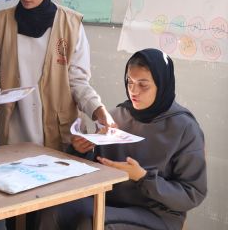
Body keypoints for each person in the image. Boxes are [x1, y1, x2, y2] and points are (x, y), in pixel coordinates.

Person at [38, 49, 207, 230]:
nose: (133, 91)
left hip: (157, 214)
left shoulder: (185, 128)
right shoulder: (116, 116)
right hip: (107, 201)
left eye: (143, 85)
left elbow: (192, 194)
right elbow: (95, 169)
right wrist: (82, 151)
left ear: (162, 84)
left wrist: (143, 178)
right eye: (129, 82)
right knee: (51, 210)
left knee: (91, 223)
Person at [0, 0, 113, 150]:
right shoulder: (1, 23)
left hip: (57, 136)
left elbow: (78, 82)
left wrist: (98, 110)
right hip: (13, 134)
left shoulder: (70, 25)